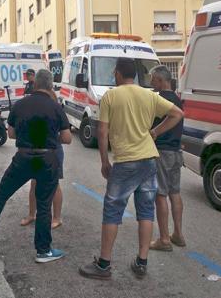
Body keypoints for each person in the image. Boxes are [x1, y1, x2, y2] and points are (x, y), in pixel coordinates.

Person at [78, 57, 183, 280]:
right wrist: (155, 132)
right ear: (134, 75)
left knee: (113, 210)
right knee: (145, 211)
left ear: (117, 73)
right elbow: (177, 114)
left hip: (125, 162)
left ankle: (104, 264)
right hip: (149, 161)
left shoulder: (110, 97)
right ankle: (141, 261)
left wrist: (104, 161)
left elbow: (103, 132)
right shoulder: (149, 95)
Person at [0, 69, 71, 263]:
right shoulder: (55, 107)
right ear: (50, 86)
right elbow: (67, 138)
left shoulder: (20, 104)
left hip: (23, 157)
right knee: (44, 205)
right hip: (47, 160)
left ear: (34, 84)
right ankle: (43, 251)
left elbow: (12, 134)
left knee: (2, 192)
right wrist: (50, 136)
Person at [148, 66, 185, 252]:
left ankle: (164, 239)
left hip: (162, 152)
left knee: (160, 195)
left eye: (153, 79)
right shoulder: (178, 99)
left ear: (161, 81)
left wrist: (155, 131)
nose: (151, 83)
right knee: (174, 192)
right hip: (176, 152)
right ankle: (178, 234)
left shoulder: (158, 99)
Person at [20, 90, 63, 229]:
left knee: (54, 184)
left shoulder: (55, 112)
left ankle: (57, 217)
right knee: (34, 182)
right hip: (37, 150)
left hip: (53, 151)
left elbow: (66, 137)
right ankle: (32, 214)